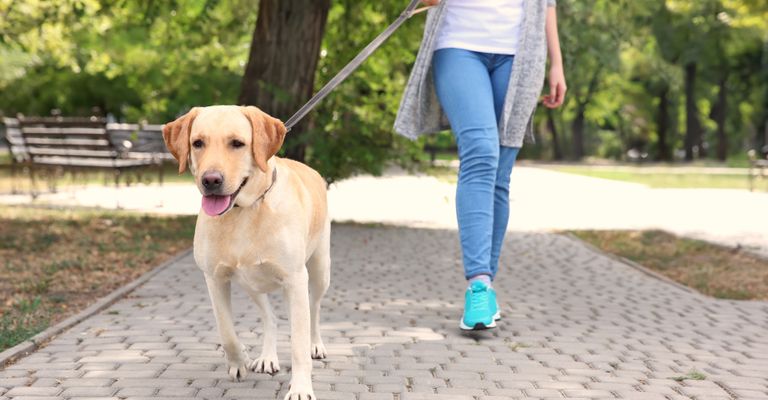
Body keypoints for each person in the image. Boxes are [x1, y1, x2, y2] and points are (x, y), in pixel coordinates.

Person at [394, 0, 566, 330]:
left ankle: (486, 288)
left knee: (500, 174)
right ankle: (478, 284)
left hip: (522, 53)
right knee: (481, 153)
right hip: (458, 45)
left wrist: (557, 63)